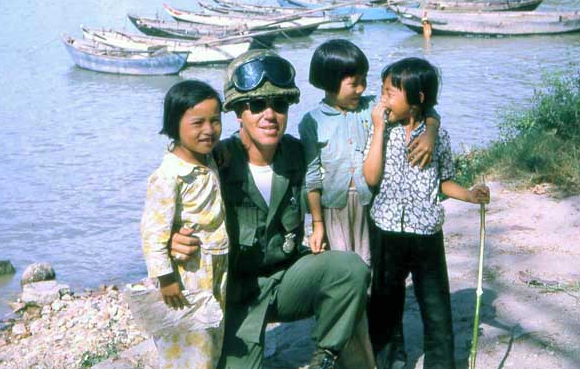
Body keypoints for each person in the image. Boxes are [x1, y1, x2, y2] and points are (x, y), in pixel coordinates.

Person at [171, 51, 370, 369]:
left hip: (288, 280)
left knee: (350, 269)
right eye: (257, 105)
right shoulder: (214, 163)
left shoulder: (297, 154)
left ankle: (325, 357)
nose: (270, 115)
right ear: (237, 112)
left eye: (279, 105)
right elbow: (166, 203)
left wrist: (426, 122)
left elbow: (356, 150)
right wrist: (173, 241)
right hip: (236, 295)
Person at [299, 40, 440, 368]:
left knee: (378, 280)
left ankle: (390, 345)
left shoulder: (373, 109)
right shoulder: (311, 121)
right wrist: (317, 224)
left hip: (371, 208)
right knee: (339, 282)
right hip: (333, 212)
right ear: (330, 82)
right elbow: (311, 177)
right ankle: (339, 349)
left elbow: (422, 107)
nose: (363, 87)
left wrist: (431, 130)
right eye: (355, 82)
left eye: (364, 80)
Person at [363, 58, 490, 369]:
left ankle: (440, 362)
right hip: (386, 229)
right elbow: (371, 178)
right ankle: (390, 355)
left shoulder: (438, 138)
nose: (384, 99)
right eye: (383, 91)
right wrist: (379, 129)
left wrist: (470, 195)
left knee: (435, 304)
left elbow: (443, 181)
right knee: (384, 300)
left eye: (391, 93)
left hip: (427, 234)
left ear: (418, 99)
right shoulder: (381, 130)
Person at [140, 80, 228, 369]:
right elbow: (153, 232)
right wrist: (164, 278)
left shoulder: (209, 158)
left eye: (215, 121)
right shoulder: (168, 176)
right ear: (174, 125)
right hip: (189, 272)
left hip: (217, 265)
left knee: (213, 333)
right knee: (190, 340)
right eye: (198, 122)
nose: (209, 130)